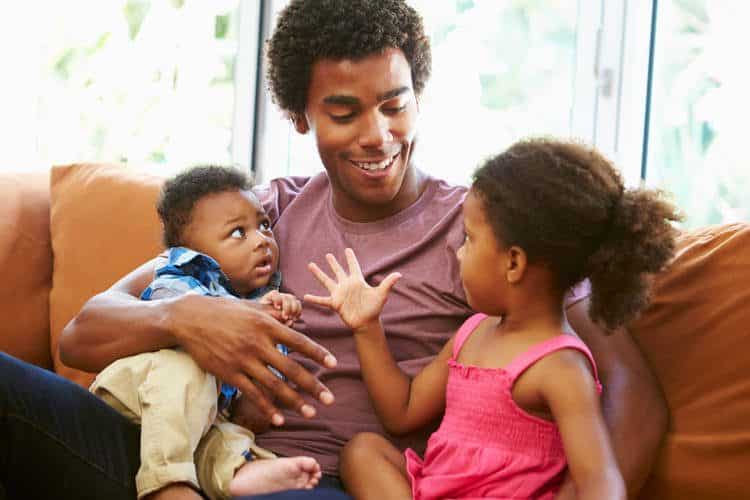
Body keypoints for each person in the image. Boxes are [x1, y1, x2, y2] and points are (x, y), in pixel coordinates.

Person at [0, 1, 668, 499]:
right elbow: (84, 334)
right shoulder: (264, 211)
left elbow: (632, 390)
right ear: (301, 116)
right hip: (185, 459)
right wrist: (184, 318)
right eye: (345, 112)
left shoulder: (486, 234)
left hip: (328, 481)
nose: (377, 136)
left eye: (395, 105)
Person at [306, 138, 681, 499]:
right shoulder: (474, 331)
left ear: (513, 263)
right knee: (361, 452)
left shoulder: (561, 366)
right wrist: (367, 327)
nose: (458, 252)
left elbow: (601, 481)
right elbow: (401, 413)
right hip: (432, 489)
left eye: (469, 239)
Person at [88, 165, 322, 499]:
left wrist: (274, 331)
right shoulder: (182, 276)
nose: (261, 240)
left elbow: (249, 412)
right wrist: (242, 314)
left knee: (220, 434)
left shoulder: (259, 298)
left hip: (190, 419)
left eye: (264, 225)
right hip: (138, 391)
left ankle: (237, 473)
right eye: (238, 233)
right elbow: (191, 314)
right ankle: (167, 483)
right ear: (193, 251)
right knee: (185, 369)